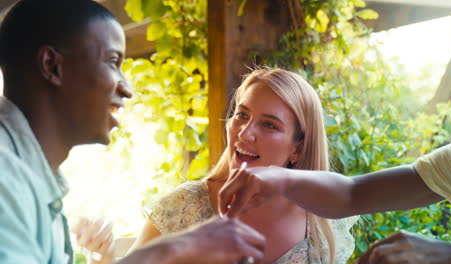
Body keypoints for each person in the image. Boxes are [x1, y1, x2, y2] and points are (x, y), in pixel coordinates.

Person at [0, 0, 265, 263]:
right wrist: (170, 249)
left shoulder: (35, 179)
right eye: (113, 61)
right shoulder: (5, 179)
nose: (127, 88)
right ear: (52, 66)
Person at [217, 7, 451, 264]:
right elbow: (352, 193)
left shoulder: (322, 234)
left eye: (270, 125)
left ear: (299, 146)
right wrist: (280, 177)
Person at [131, 68, 357, 264]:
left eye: (269, 125)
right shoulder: (184, 205)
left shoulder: (324, 221)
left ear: (297, 149)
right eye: (242, 115)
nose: (245, 133)